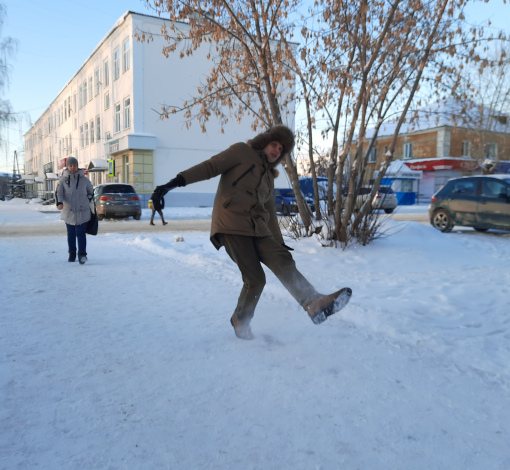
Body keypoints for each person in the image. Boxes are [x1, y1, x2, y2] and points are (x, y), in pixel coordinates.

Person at [154, 125, 352, 340]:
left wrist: (278, 243)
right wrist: (171, 184)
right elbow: (210, 167)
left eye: (282, 148)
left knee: (282, 259)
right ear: (264, 141)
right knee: (255, 278)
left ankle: (313, 303)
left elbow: (270, 213)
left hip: (257, 228)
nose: (277, 150)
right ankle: (241, 320)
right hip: (231, 223)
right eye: (274, 144)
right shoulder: (241, 152)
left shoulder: (268, 176)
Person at [56, 157, 94, 264]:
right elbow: (59, 193)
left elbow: (91, 192)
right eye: (70, 165)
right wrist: (59, 203)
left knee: (81, 233)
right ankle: (72, 254)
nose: (73, 168)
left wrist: (88, 199)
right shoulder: (63, 180)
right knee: (71, 234)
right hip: (69, 212)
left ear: (78, 166)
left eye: (75, 165)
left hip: (83, 211)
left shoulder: (85, 180)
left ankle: (82, 255)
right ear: (67, 167)